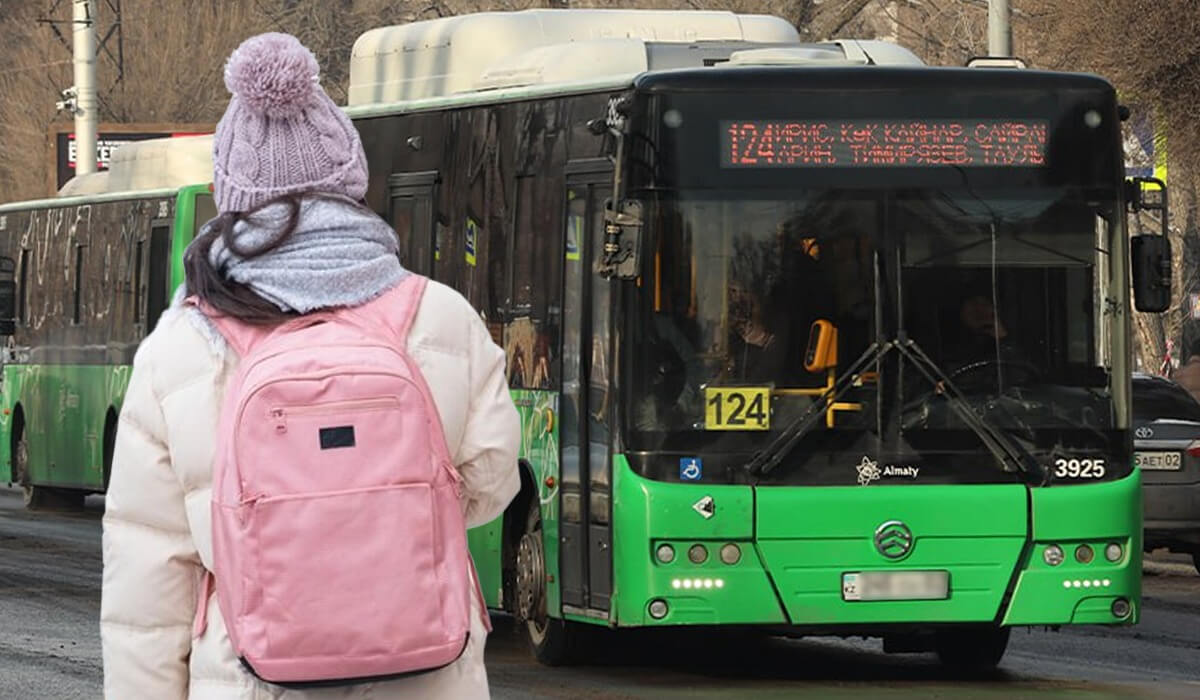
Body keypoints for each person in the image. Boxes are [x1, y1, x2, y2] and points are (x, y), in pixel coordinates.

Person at [100, 33, 520, 699]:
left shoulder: (182, 344)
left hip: (248, 677)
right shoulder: (439, 317)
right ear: (351, 178)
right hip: (424, 671)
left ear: (230, 192)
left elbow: (149, 582)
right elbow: (492, 480)